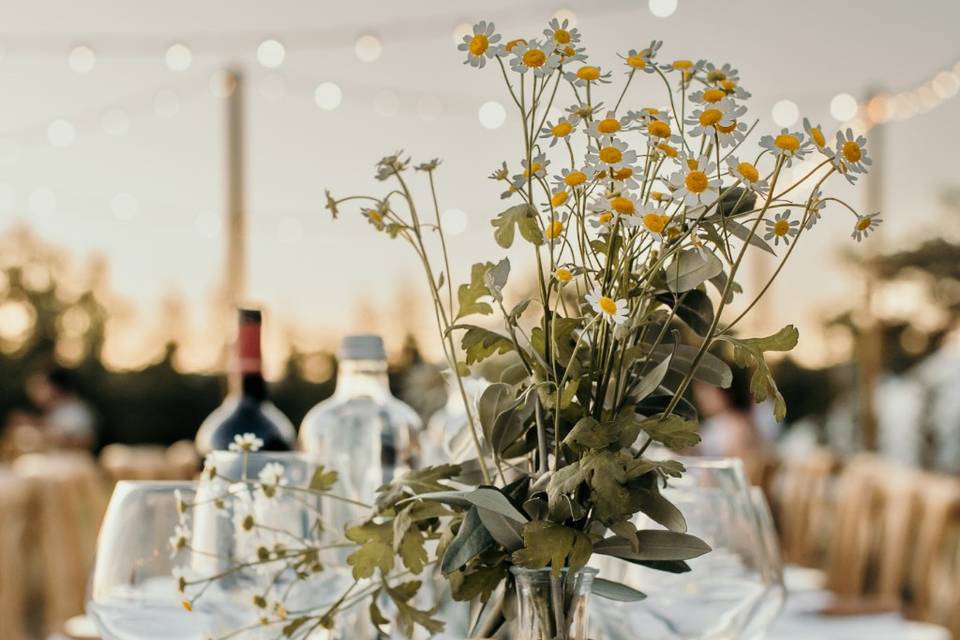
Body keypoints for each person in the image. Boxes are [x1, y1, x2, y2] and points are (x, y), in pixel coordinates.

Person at [692, 367, 770, 478]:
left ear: (724, 392)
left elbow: (741, 473)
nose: (701, 398)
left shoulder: (738, 426)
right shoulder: (716, 423)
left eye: (707, 391)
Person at [25, 366, 97, 450]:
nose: (34, 393)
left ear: (55, 388)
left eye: (41, 387)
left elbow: (85, 441)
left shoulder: (77, 411)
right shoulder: (55, 410)